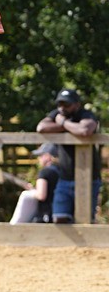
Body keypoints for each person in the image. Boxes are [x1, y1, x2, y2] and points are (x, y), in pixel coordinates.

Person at [36, 89, 101, 222]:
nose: (62, 108)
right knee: (59, 218)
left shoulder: (86, 114)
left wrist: (63, 123)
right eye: (59, 104)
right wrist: (70, 127)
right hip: (64, 178)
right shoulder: (58, 113)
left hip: (88, 178)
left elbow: (85, 130)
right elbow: (41, 127)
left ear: (77, 104)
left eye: (66, 104)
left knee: (85, 220)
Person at [10, 143, 63, 224]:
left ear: (47, 156)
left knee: (25, 195)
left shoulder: (44, 172)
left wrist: (32, 191)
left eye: (41, 155)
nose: (39, 158)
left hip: (46, 215)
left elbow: (41, 195)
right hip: (60, 212)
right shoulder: (62, 171)